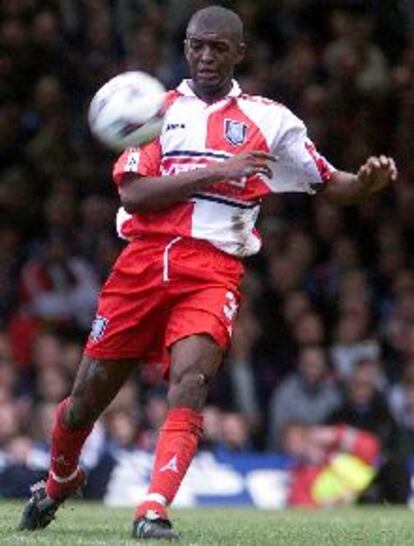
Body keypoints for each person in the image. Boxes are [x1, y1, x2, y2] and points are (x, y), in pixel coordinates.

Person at [18, 5, 398, 541]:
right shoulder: (154, 111)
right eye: (197, 45)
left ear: (238, 52)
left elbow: (327, 179)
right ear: (185, 47)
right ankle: (60, 479)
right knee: (85, 400)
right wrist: (222, 168)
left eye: (219, 47)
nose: (206, 56)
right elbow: (134, 193)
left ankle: (152, 509)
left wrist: (365, 182)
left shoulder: (271, 120)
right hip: (141, 265)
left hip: (213, 269)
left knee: (190, 382)